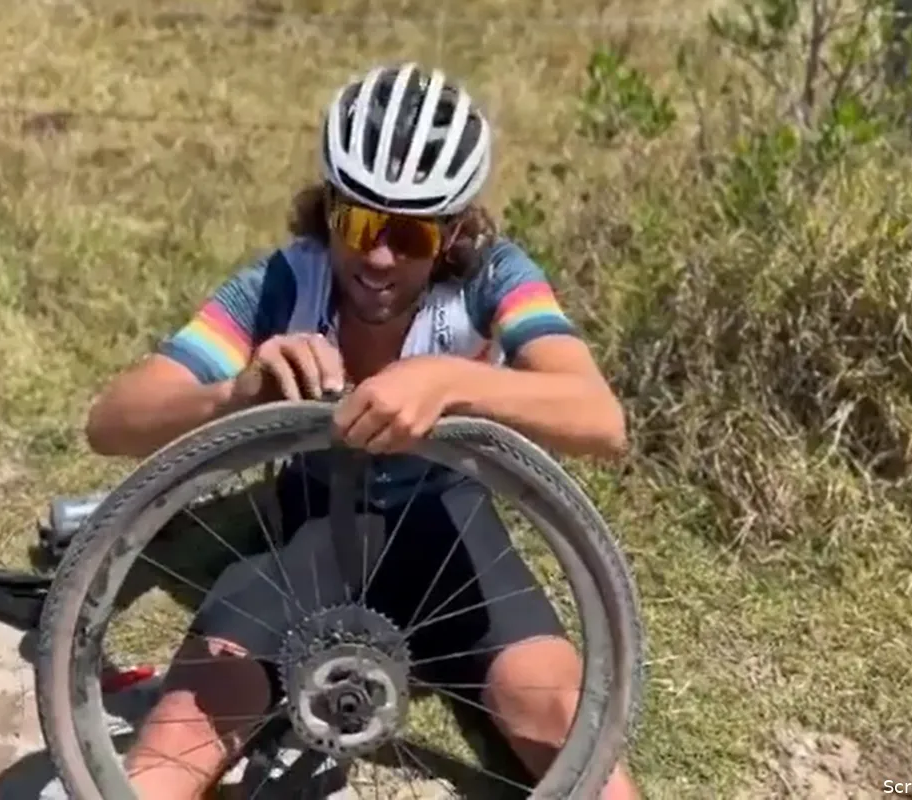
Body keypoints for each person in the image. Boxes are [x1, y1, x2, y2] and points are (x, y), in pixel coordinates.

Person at [84, 61, 640, 800]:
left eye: (409, 236)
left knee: (583, 751)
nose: (379, 258)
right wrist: (239, 391)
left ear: (452, 230)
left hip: (450, 537)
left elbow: (601, 421)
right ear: (329, 207)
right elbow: (111, 423)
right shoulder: (286, 281)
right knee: (168, 752)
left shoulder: (492, 277)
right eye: (359, 223)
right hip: (308, 535)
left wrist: (450, 380)